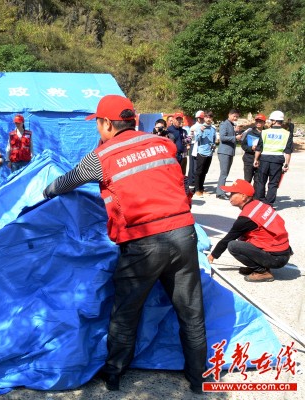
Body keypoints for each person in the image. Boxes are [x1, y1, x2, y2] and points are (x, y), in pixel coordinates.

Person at [43, 95, 206, 394]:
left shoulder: (102, 156)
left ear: (107, 123)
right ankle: (197, 379)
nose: (97, 129)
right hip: (184, 233)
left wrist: (45, 191)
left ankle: (114, 375)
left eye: (97, 123)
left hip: (143, 241)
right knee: (191, 312)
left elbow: (66, 183)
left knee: (126, 312)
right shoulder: (164, 144)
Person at [207, 179, 292, 282]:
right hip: (283, 251)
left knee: (233, 246)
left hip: (276, 258)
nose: (230, 196)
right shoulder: (259, 204)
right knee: (243, 237)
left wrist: (212, 256)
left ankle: (262, 271)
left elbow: (227, 239)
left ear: (243, 196)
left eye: (233, 193)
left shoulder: (247, 218)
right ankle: (257, 265)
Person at [253, 110, 293, 207]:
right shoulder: (287, 133)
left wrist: (256, 159)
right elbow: (288, 151)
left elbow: (259, 148)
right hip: (277, 160)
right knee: (273, 183)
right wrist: (286, 164)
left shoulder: (265, 132)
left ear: (274, 121)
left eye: (271, 120)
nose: (270, 122)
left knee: (261, 181)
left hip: (264, 159)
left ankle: (260, 201)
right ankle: (269, 204)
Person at [215, 109, 242, 200]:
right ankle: (220, 193)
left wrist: (236, 132)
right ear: (229, 115)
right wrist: (235, 137)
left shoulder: (231, 125)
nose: (235, 118)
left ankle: (221, 190)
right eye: (234, 116)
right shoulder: (224, 124)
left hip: (229, 152)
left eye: (237, 117)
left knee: (225, 172)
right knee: (224, 173)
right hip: (224, 152)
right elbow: (222, 138)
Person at [192, 111, 217, 197]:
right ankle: (197, 189)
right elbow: (196, 139)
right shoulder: (200, 127)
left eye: (210, 117)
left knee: (204, 172)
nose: (208, 119)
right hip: (202, 152)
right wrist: (201, 131)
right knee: (199, 172)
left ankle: (201, 189)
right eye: (207, 117)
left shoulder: (213, 129)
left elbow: (214, 140)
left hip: (209, 153)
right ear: (204, 118)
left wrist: (214, 145)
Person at [241, 114, 265, 185]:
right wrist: (250, 148)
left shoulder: (266, 133)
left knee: (258, 180)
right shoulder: (249, 132)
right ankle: (247, 192)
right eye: (257, 121)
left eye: (260, 121)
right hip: (249, 158)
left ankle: (256, 192)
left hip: (262, 159)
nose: (258, 123)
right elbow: (243, 145)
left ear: (264, 123)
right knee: (247, 180)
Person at [188, 111, 205, 188]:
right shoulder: (194, 127)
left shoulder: (205, 126)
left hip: (202, 147)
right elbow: (189, 138)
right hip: (194, 145)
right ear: (197, 118)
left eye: (202, 118)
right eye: (200, 118)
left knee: (200, 166)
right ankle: (192, 182)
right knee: (193, 165)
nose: (201, 119)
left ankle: (198, 183)